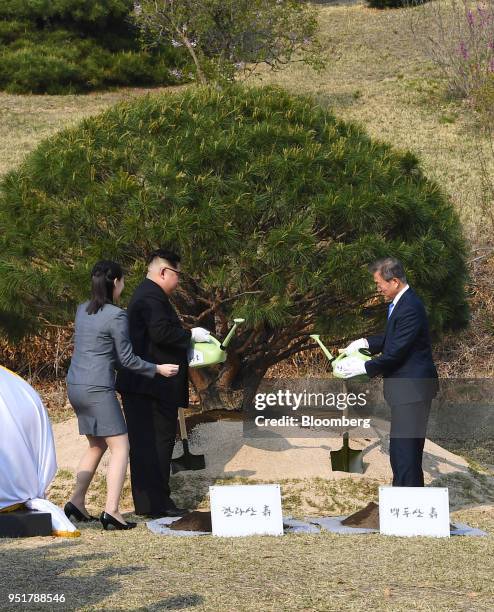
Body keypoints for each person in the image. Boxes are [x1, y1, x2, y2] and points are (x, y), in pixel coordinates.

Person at [65, 260, 179, 531]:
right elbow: (126, 358)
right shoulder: (116, 315)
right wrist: (157, 369)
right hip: (97, 389)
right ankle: (112, 511)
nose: (124, 286)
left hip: (76, 386)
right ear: (115, 282)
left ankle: (76, 502)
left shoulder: (82, 310)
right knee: (121, 446)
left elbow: (97, 349)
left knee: (97, 445)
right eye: (123, 281)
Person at [116, 249, 211, 518]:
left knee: (147, 445)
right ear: (163, 272)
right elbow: (161, 332)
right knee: (156, 443)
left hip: (146, 385)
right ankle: (157, 503)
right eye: (177, 274)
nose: (178, 281)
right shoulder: (151, 297)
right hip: (152, 387)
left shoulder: (148, 295)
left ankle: (150, 503)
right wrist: (190, 335)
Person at [335, 257, 439, 487]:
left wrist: (362, 367)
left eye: (379, 283)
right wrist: (365, 343)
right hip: (406, 391)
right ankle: (404, 502)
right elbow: (392, 339)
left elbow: (396, 354)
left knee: (406, 453)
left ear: (394, 281)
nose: (378, 289)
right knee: (402, 451)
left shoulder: (410, 306)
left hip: (413, 390)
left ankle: (409, 507)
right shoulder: (400, 303)